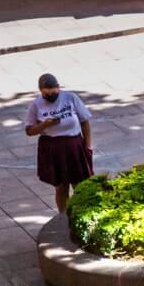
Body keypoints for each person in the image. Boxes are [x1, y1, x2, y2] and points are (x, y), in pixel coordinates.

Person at [24, 73, 93, 212]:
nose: (50, 97)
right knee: (61, 187)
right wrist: (44, 125)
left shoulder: (70, 97)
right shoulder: (36, 105)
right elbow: (29, 131)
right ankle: (63, 216)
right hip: (52, 147)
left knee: (80, 185)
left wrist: (88, 146)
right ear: (40, 91)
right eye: (46, 94)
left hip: (74, 145)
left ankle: (83, 213)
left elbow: (85, 122)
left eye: (53, 93)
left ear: (58, 87)